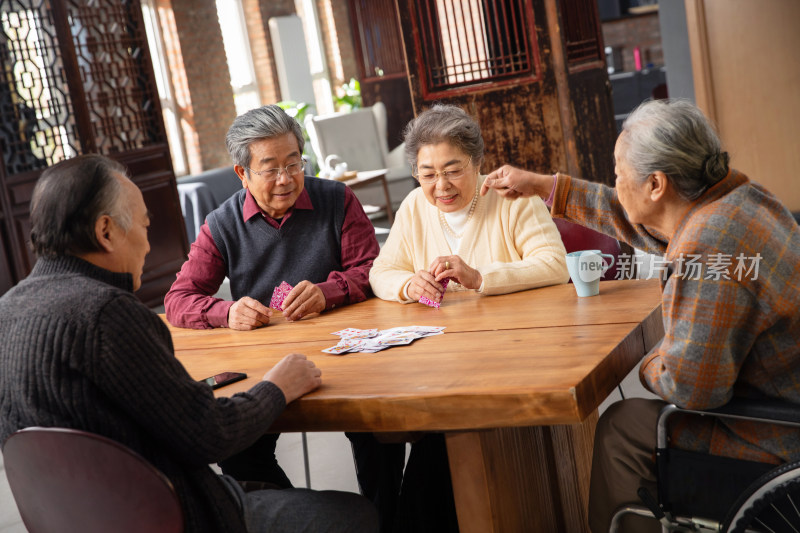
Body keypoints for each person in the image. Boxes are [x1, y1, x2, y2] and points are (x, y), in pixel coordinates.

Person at [0, 154, 377, 533]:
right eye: (145, 226)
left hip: (75, 522)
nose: (148, 246)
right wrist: (278, 386)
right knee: (355, 515)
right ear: (106, 232)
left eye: (294, 163)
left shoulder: (6, 312)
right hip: (173, 518)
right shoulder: (109, 313)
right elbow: (209, 435)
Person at [481, 99, 800, 533]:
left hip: (775, 439)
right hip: (783, 400)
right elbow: (642, 219)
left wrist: (651, 359)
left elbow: (688, 389)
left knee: (623, 426)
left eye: (617, 171)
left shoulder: (706, 249)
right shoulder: (736, 197)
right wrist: (547, 186)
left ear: (656, 183)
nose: (615, 181)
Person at [362, 104, 569, 533]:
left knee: (441, 452)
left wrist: (480, 278)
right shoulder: (414, 208)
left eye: (453, 170)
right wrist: (409, 286)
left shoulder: (511, 200)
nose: (441, 186)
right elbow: (381, 273)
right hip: (442, 366)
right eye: (428, 174)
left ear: (477, 162)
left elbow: (554, 265)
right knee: (431, 447)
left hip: (511, 360)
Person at [165, 104, 380, 488]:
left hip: (348, 350)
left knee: (380, 435)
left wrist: (328, 292)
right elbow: (179, 299)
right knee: (238, 450)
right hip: (266, 360)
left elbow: (371, 270)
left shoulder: (338, 200)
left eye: (294, 164)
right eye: (270, 169)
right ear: (242, 174)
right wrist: (227, 312)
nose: (285, 179)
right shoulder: (222, 224)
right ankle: (302, 518)